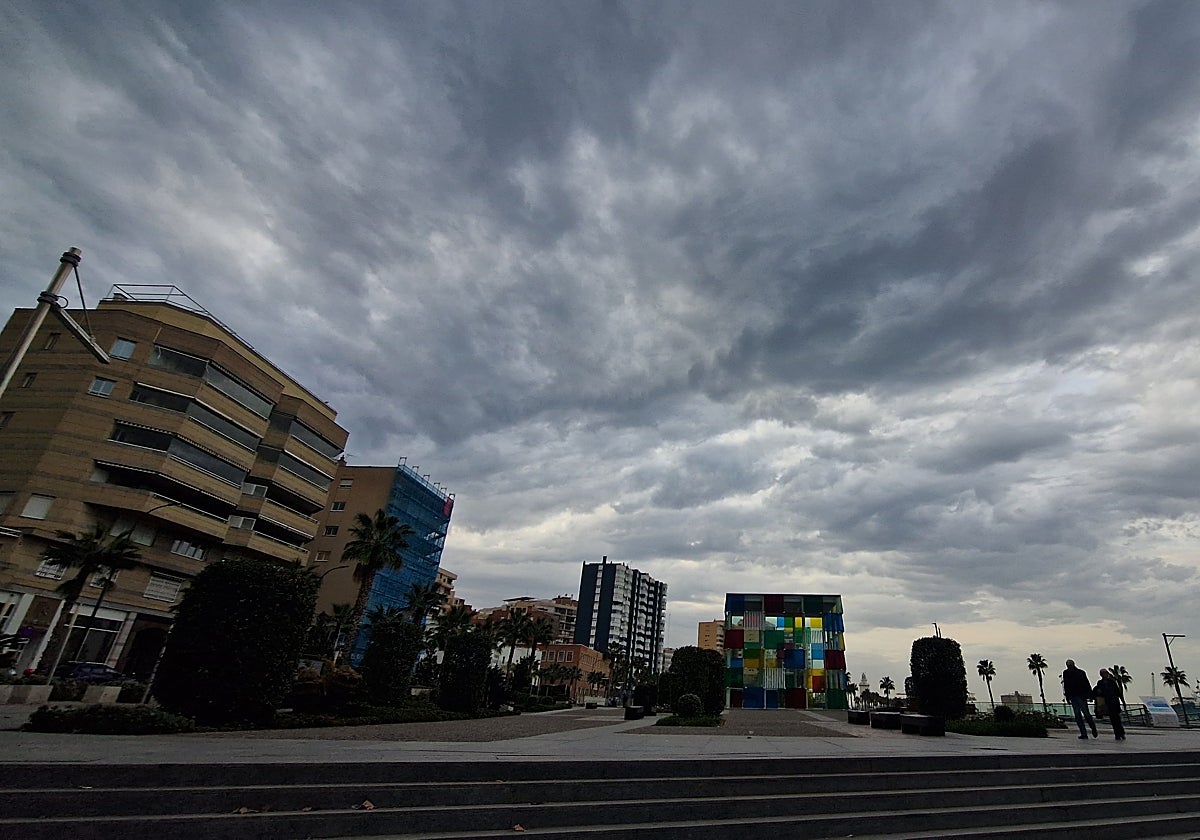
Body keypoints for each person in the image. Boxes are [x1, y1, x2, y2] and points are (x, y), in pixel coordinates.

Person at [1062, 659, 1098, 739]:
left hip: (1081, 696)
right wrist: (1067, 697)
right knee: (1078, 716)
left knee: (1086, 714)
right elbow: (1066, 685)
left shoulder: (1081, 673)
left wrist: (1090, 695)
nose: (1069, 667)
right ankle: (1083, 733)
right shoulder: (1066, 673)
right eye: (1068, 666)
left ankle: (1093, 728)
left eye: (1070, 665)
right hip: (1073, 696)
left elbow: (1086, 684)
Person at [1094, 668, 1126, 741]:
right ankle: (1117, 734)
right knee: (1113, 720)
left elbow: (1118, 692)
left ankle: (1121, 733)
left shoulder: (1112, 682)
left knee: (1117, 719)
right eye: (1103, 674)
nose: (1105, 675)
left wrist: (1122, 701)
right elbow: (1097, 692)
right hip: (1108, 703)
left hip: (1114, 702)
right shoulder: (1100, 683)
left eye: (1106, 673)